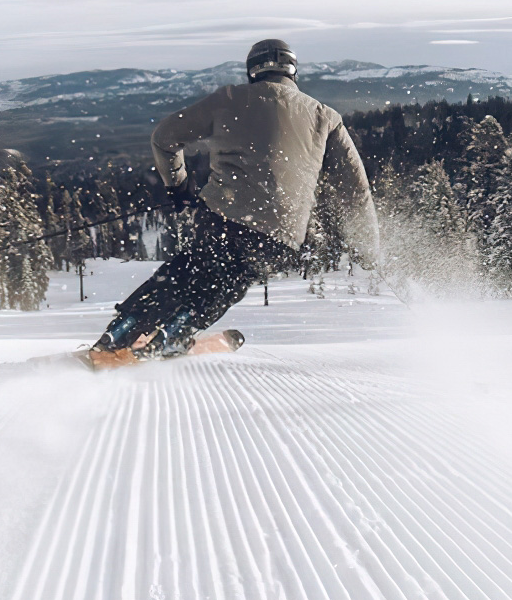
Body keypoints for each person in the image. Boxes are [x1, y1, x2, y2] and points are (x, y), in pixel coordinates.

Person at [85, 39, 380, 368]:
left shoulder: (228, 99)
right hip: (278, 234)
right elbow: (356, 191)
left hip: (221, 218)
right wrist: (368, 247)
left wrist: (179, 186)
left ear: (252, 71)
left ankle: (121, 331)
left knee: (188, 269)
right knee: (229, 281)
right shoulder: (325, 116)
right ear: (293, 71)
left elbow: (164, 137)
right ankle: (173, 333)